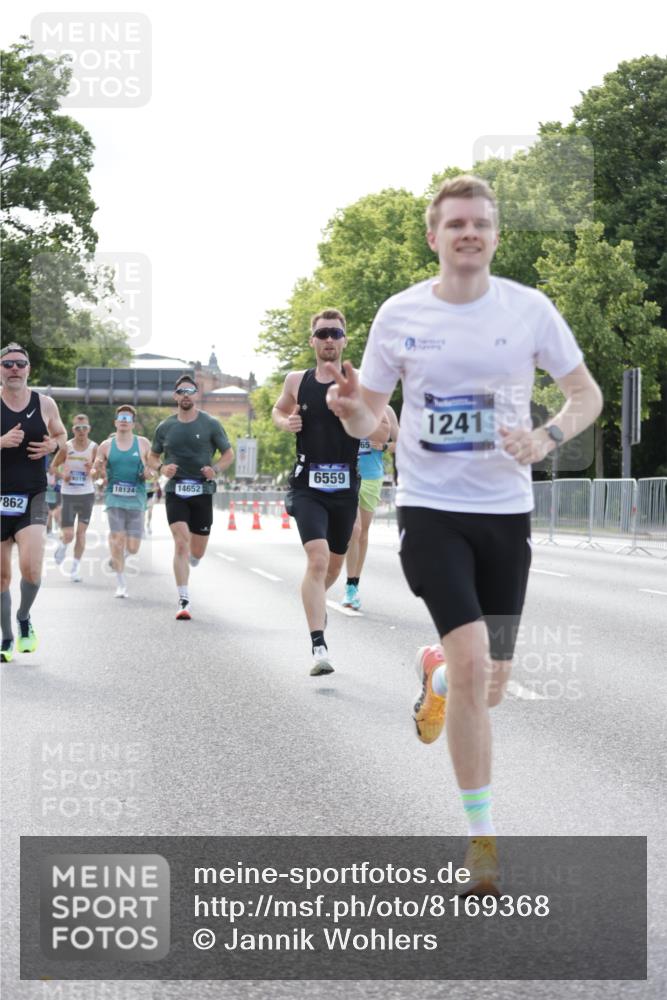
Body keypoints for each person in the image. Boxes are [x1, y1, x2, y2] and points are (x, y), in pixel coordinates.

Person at [326, 175, 603, 892]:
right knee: (479, 661)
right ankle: (480, 844)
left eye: (480, 223)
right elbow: (373, 422)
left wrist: (544, 437)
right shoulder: (399, 314)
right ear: (433, 236)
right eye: (455, 224)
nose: (468, 233)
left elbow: (585, 396)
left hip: (505, 516)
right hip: (431, 511)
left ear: (495, 235)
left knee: (489, 685)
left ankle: (439, 674)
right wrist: (350, 408)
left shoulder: (529, 310)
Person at [272, 309, 364, 676]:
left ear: (344, 340)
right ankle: (318, 645)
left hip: (345, 486)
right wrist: (286, 421)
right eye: (322, 333)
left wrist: (367, 423)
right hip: (307, 483)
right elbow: (279, 411)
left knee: (336, 563)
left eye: (335, 333)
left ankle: (314, 600)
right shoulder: (297, 380)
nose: (329, 339)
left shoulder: (359, 382)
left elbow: (379, 429)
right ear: (312, 340)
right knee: (318, 559)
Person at [0, 343, 67, 661]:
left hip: (33, 496)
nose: (14, 368)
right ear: (0, 369)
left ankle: (24, 617)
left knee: (31, 568)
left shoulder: (45, 403)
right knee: (1, 576)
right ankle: (7, 638)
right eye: (8, 363)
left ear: (28, 369)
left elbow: (62, 436)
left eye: (20, 364)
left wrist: (53, 444)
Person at [148, 375, 234, 620]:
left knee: (197, 551)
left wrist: (214, 469)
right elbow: (153, 457)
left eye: (190, 390)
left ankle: (194, 559)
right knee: (181, 542)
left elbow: (228, 454)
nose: (185, 394)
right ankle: (183, 598)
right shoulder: (165, 427)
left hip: (202, 491)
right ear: (175, 396)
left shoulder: (211, 423)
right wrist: (162, 468)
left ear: (196, 394)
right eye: (181, 391)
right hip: (176, 491)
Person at [342, 404, 399, 610]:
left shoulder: (386, 410)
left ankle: (353, 585)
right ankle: (348, 585)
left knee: (363, 533)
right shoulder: (345, 405)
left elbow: (401, 444)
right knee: (354, 531)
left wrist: (383, 447)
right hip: (346, 473)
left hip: (371, 476)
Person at [93, 406, 152, 599]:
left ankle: (117, 559)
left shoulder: (143, 443)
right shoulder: (106, 445)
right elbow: (96, 467)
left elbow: (152, 468)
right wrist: (96, 469)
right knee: (117, 540)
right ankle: (121, 584)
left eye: (128, 417)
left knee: (133, 547)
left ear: (133, 423)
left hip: (136, 498)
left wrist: (149, 473)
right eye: (121, 417)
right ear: (116, 422)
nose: (124, 420)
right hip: (115, 497)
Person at [52, 414, 98, 582]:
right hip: (68, 494)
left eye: (84, 428)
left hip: (87, 494)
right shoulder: (66, 446)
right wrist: (62, 475)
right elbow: (53, 467)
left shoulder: (94, 447)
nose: (81, 431)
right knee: (69, 534)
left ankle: (75, 569)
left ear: (89, 429)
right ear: (73, 430)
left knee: (81, 534)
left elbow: (99, 471)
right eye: (78, 428)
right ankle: (63, 546)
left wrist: (91, 469)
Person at [45, 464, 62, 536]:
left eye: (54, 468)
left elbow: (61, 487)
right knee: (49, 515)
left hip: (57, 498)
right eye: (51, 468)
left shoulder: (57, 476)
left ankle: (60, 528)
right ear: (48, 469)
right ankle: (49, 530)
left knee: (57, 514)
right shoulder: (45, 476)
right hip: (48, 498)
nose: (53, 470)